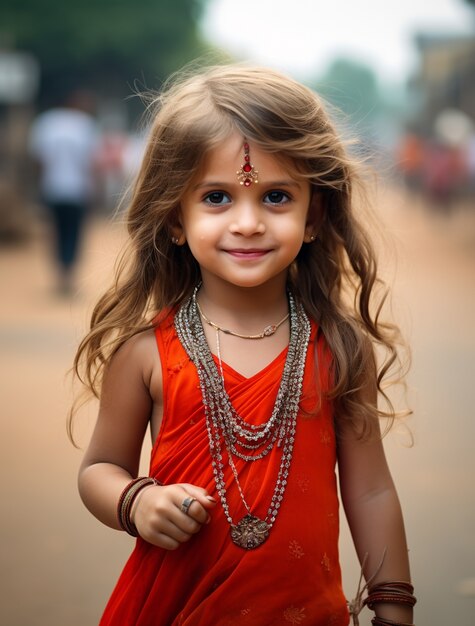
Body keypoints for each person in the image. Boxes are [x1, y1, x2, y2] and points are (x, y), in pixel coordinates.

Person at [71, 65, 415, 626]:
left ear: (314, 216)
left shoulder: (340, 349)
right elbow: (100, 468)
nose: (249, 222)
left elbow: (372, 491)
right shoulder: (144, 353)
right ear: (174, 217)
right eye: (216, 198)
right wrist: (136, 501)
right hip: (175, 608)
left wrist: (394, 606)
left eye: (277, 196)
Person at [29, 89, 99, 295]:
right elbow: (91, 162)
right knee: (73, 231)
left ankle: (60, 273)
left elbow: (38, 160)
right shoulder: (85, 124)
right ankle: (68, 273)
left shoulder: (45, 123)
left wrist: (40, 185)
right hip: (77, 189)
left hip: (53, 188)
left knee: (56, 231)